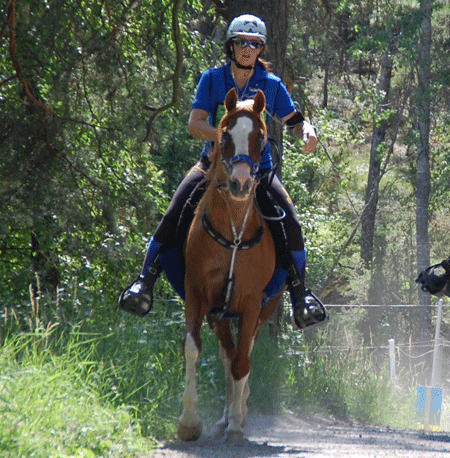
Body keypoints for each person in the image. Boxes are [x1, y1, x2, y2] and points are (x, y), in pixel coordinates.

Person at [119, 14, 328, 330]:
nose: (248, 49)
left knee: (291, 223)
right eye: (242, 42)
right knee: (174, 211)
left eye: (255, 43)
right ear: (231, 46)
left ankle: (300, 296)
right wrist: (229, 137)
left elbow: (296, 122)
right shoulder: (213, 78)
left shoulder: (271, 85)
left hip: (259, 172)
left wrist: (309, 133)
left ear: (261, 49)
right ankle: (144, 282)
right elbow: (194, 123)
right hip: (212, 167)